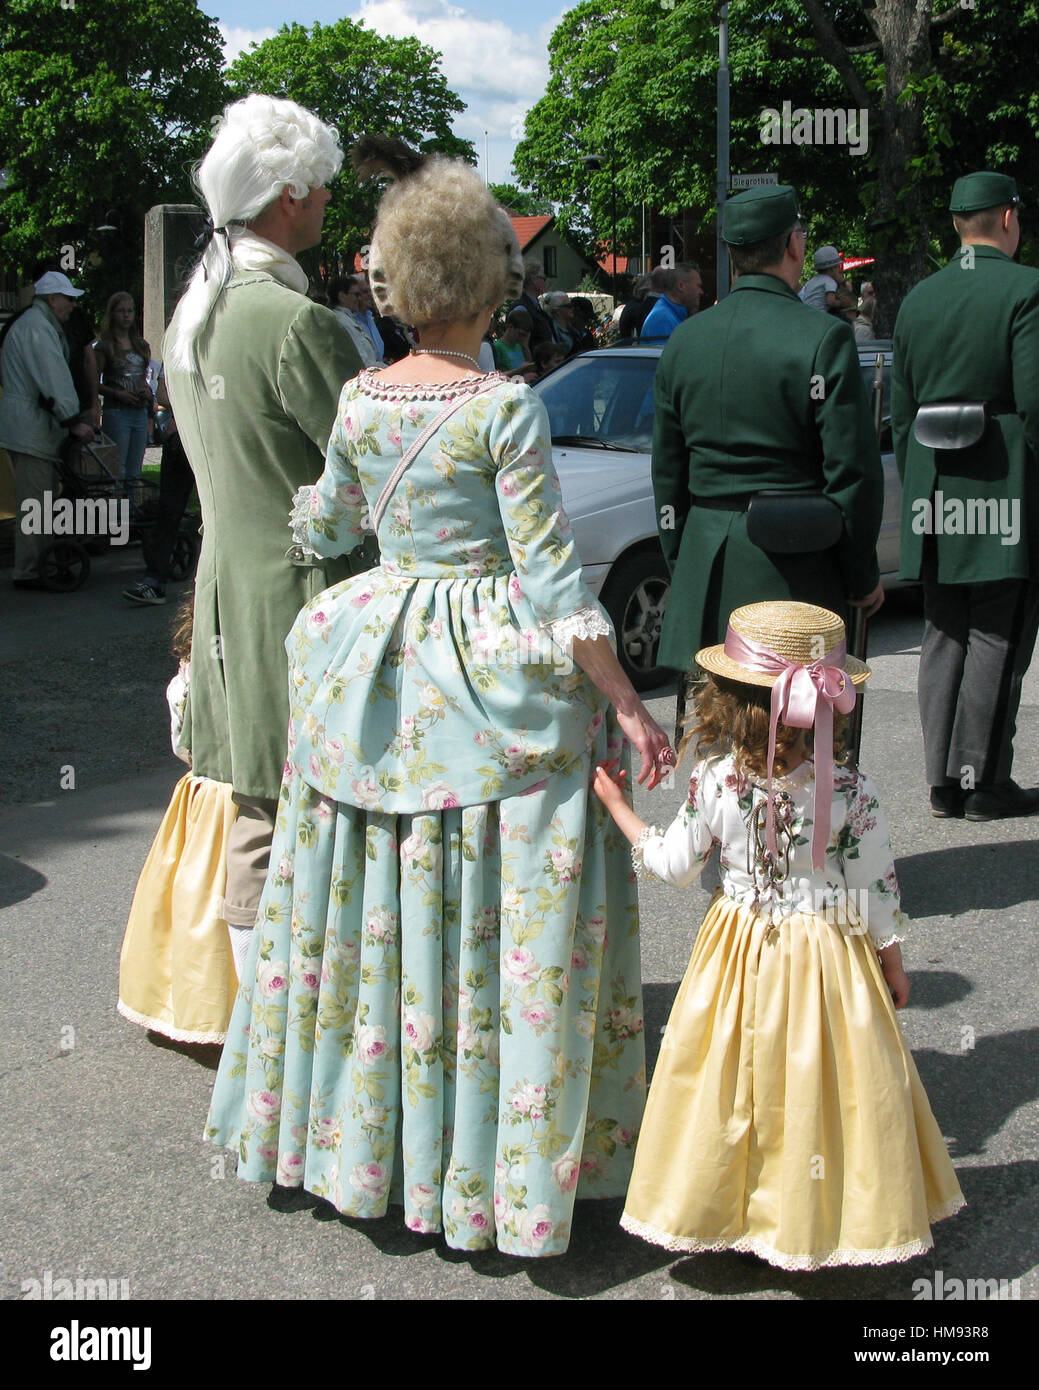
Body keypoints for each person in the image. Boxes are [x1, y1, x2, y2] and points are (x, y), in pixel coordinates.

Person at [204, 136, 672, 1256]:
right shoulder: (504, 406)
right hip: (484, 658)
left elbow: (320, 524)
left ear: (395, 277)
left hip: (371, 650)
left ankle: (362, 1146)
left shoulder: (362, 397)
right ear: (485, 276)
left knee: (372, 893)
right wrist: (627, 701)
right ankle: (497, 1162)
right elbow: (553, 581)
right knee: (495, 902)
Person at [594, 600, 965, 1270]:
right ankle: (813, 1215)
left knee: (728, 1073)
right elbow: (874, 890)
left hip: (735, 949)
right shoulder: (850, 789)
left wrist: (620, 808)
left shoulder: (713, 780)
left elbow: (674, 865)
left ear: (725, 698)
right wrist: (894, 963)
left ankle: (728, 1209)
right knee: (826, 1080)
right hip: (831, 948)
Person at [162, 94, 368, 978]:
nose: (328, 202)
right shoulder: (292, 322)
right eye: (320, 188)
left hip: (227, 594)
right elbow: (376, 470)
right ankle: (309, 1029)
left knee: (258, 806)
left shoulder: (194, 315)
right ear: (286, 195)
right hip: (310, 599)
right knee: (327, 808)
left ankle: (263, 1026)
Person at [652, 184, 885, 684]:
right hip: (796, 573)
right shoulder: (825, 337)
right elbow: (853, 475)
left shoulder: (684, 340)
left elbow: (668, 475)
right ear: (794, 245)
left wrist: (686, 565)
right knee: (791, 748)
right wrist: (860, 578)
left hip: (706, 568)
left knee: (713, 745)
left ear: (732, 254)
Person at [892, 170, 1039, 821]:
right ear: (1007, 219)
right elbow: (1034, 403)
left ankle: (941, 780)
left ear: (957, 226)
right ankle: (982, 781)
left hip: (933, 490)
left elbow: (899, 415)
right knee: (995, 632)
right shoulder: (1027, 288)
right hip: (1003, 484)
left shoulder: (918, 298)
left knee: (942, 630)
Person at [118, 597, 239, 1041]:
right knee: (228, 900)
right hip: (235, 796)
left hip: (201, 794)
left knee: (191, 898)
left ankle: (189, 1005)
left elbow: (182, 748)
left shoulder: (183, 683)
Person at [0, 269, 94, 589]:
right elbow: (54, 378)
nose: (71, 305)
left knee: (37, 502)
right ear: (52, 299)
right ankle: (29, 571)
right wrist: (73, 421)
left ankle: (39, 565)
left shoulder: (33, 325)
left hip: (26, 425)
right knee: (35, 504)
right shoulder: (38, 329)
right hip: (30, 429)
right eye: (68, 299)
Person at [122, 366, 196, 605]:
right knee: (170, 511)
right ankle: (155, 579)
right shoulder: (184, 342)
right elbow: (163, 395)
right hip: (185, 438)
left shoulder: (180, 342)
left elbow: (165, 394)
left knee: (172, 511)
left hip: (197, 435)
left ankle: (155, 580)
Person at [94, 292, 153, 486]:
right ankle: (116, 513)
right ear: (112, 314)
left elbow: (143, 377)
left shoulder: (141, 346)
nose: (126, 315)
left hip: (139, 411)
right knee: (117, 468)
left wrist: (146, 390)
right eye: (121, 311)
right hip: (117, 411)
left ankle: (131, 512)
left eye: (130, 311)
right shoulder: (105, 347)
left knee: (134, 470)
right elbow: (93, 382)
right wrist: (117, 394)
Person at [638, 263, 703, 342]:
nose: (701, 292)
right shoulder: (663, 319)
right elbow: (668, 354)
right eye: (698, 286)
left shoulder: (670, 314)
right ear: (681, 286)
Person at [328, 275, 379, 367]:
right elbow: (362, 361)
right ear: (342, 296)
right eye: (356, 294)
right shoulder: (342, 322)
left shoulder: (349, 318)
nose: (359, 299)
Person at [514, 260, 556, 351]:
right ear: (533, 280)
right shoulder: (522, 308)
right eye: (543, 278)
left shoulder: (534, 306)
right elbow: (520, 343)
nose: (545, 282)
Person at [799, 245, 845, 311]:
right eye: (838, 267)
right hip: (820, 314)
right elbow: (830, 301)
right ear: (832, 269)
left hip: (806, 313)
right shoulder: (830, 282)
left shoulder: (810, 282)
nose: (839, 270)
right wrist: (841, 303)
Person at [492, 305, 533, 374]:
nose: (522, 338)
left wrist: (525, 347)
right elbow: (497, 375)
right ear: (510, 327)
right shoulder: (497, 347)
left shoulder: (520, 345)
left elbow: (530, 368)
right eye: (520, 334)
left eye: (525, 336)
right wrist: (518, 370)